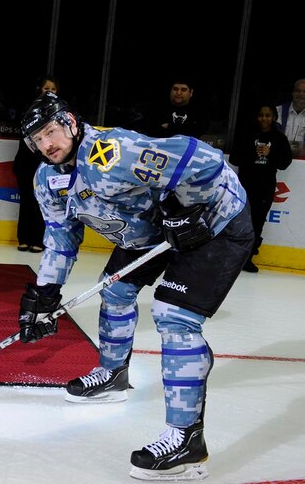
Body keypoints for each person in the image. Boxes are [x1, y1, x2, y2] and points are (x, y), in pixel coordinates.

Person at [16, 92, 253, 480]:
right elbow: (60, 236)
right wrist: (45, 293)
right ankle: (112, 375)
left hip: (216, 225)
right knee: (115, 290)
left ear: (72, 123)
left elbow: (204, 158)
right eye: (37, 140)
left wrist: (188, 208)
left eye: (52, 131)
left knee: (174, 318)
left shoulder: (112, 152)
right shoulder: (47, 178)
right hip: (156, 231)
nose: (47, 144)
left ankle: (186, 440)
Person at [229, 104, 292, 272]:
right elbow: (234, 159)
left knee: (257, 223)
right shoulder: (246, 136)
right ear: (256, 117)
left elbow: (284, 163)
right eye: (261, 115)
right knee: (237, 221)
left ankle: (247, 258)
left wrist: (270, 154)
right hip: (244, 186)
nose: (264, 119)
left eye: (267, 115)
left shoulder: (279, 139)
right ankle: (231, 256)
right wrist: (252, 153)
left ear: (273, 118)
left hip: (265, 188)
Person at [12, 75, 59, 252]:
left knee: (42, 201)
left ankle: (38, 240)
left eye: (53, 89)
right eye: (47, 88)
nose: (50, 92)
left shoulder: (58, 113)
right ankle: (23, 238)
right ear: (39, 90)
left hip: (46, 163)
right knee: (26, 201)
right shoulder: (28, 110)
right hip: (25, 163)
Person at [142, 78, 209, 140]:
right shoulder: (157, 109)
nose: (178, 93)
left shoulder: (199, 111)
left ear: (191, 92)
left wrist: (170, 126)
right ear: (170, 90)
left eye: (183, 90)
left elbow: (199, 131)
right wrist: (185, 128)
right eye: (175, 89)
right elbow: (151, 130)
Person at [275, 78, 305, 158]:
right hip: (278, 159)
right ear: (292, 93)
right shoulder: (277, 112)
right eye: (298, 91)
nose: (301, 94)